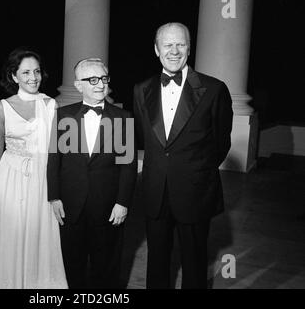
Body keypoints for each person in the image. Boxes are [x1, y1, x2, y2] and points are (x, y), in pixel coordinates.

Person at [133, 22, 233, 289]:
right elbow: (147, 139)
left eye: (180, 44)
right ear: (156, 50)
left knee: (195, 262)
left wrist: (195, 173)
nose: (174, 50)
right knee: (156, 261)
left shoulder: (214, 89)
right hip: (155, 191)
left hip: (195, 191)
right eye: (167, 44)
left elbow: (221, 143)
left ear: (189, 48)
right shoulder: (141, 90)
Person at [47, 58, 137, 288]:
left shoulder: (123, 118)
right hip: (70, 204)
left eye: (104, 79)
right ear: (78, 85)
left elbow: (128, 165)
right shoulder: (63, 115)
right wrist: (54, 196)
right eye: (93, 80)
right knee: (72, 264)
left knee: (106, 266)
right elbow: (54, 159)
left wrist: (122, 202)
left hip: (107, 206)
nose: (100, 85)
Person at [0, 48, 67, 289]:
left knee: (42, 239)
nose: (33, 77)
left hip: (43, 182)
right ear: (14, 76)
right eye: (26, 72)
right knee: (12, 238)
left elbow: (59, 152)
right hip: (10, 182)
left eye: (37, 71)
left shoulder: (51, 104)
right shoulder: (2, 107)